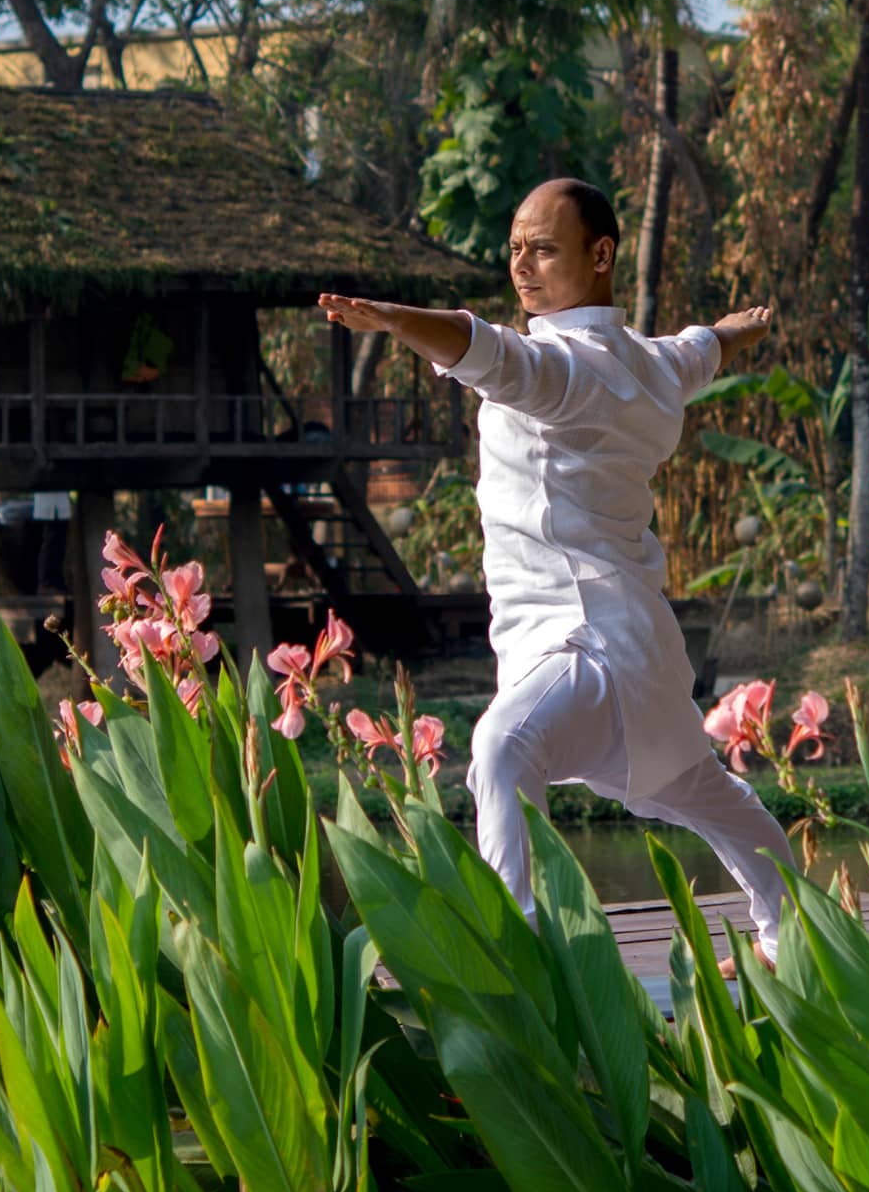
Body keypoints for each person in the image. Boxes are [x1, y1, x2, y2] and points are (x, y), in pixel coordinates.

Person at [319, 177, 792, 970]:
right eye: (514, 249)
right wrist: (737, 331)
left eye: (542, 247)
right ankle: (791, 931)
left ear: (600, 254)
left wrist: (395, 319)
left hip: (580, 645)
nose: (522, 266)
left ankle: (525, 952)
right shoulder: (647, 362)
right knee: (711, 795)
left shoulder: (562, 370)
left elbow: (489, 349)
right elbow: (699, 349)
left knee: (502, 748)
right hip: (637, 651)